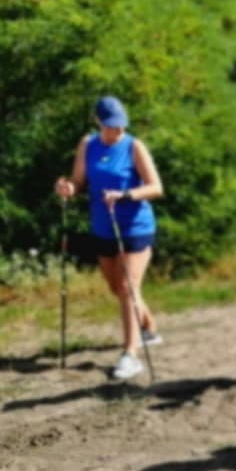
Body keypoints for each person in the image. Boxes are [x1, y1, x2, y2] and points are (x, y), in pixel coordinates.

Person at [55, 96, 164, 381]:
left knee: (128, 287)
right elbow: (78, 182)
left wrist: (125, 195)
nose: (117, 130)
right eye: (111, 125)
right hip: (103, 227)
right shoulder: (87, 145)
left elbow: (156, 187)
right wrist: (68, 188)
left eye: (120, 125)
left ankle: (130, 355)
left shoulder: (134, 146)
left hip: (136, 226)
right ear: (98, 122)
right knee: (117, 288)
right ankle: (149, 327)